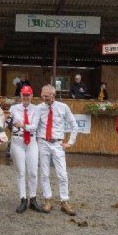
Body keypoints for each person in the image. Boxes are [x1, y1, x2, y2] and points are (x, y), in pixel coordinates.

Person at [37, 84, 78, 216]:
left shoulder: (63, 107)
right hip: (43, 143)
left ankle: (64, 201)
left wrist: (70, 142)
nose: (44, 98)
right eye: (42, 95)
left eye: (46, 96)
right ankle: (47, 200)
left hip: (57, 144)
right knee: (44, 173)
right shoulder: (39, 108)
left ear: (53, 95)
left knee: (62, 174)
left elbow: (74, 125)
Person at [9, 85, 43, 213]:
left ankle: (33, 199)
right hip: (17, 141)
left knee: (33, 172)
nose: (26, 97)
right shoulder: (13, 108)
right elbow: (9, 122)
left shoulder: (36, 109)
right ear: (21, 96)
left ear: (32, 96)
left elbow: (34, 126)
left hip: (31, 142)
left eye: (28, 95)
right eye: (24, 95)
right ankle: (23, 199)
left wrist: (22, 125)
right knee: (21, 172)